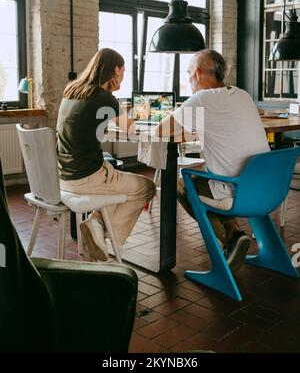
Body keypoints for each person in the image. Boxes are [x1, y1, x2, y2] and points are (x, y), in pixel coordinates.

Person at [156, 49, 270, 273]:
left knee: (182, 184)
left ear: (198, 74)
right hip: (267, 188)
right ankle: (235, 234)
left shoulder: (202, 99)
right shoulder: (242, 94)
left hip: (237, 192)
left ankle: (231, 239)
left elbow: (162, 130)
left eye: (188, 73)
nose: (189, 79)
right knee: (207, 180)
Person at [57, 48, 156, 261]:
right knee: (147, 188)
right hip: (87, 177)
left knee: (114, 176)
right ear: (114, 70)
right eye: (123, 71)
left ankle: (96, 226)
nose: (123, 75)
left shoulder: (71, 91)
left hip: (63, 177)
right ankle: (100, 231)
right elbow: (131, 130)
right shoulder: (104, 98)